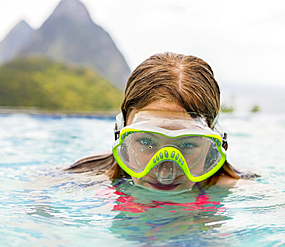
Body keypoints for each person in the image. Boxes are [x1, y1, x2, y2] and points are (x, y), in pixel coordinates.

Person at [66, 52, 256, 193]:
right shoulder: (84, 177)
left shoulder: (238, 190)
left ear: (213, 145)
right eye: (146, 142)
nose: (166, 173)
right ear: (121, 133)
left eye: (187, 144)